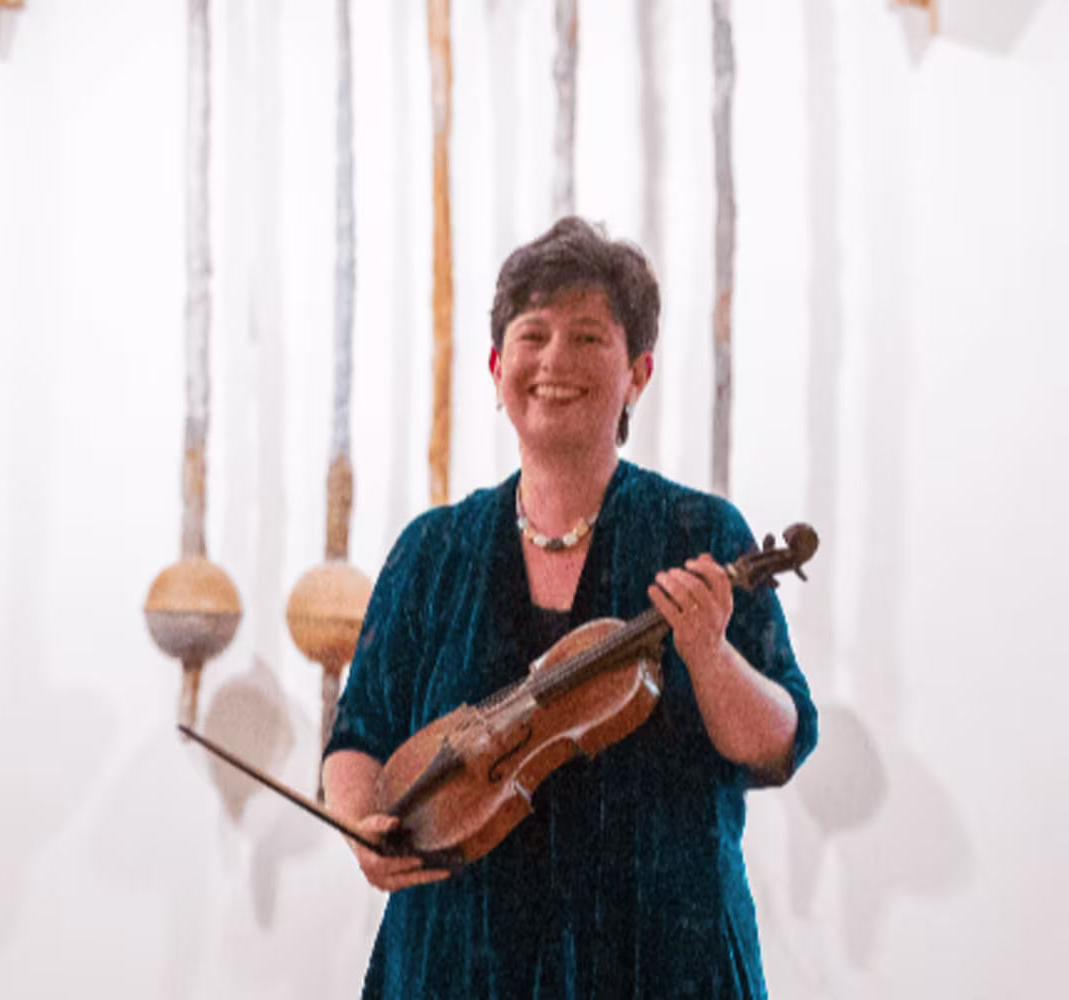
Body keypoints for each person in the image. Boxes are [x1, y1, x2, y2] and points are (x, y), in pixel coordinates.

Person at [322, 217, 818, 999]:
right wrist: (361, 823)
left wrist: (710, 653)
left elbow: (779, 744)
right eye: (533, 335)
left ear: (638, 375)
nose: (555, 360)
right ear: (495, 368)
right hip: (456, 966)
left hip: (661, 964)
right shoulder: (431, 550)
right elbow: (359, 736)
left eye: (589, 338)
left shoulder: (701, 533)